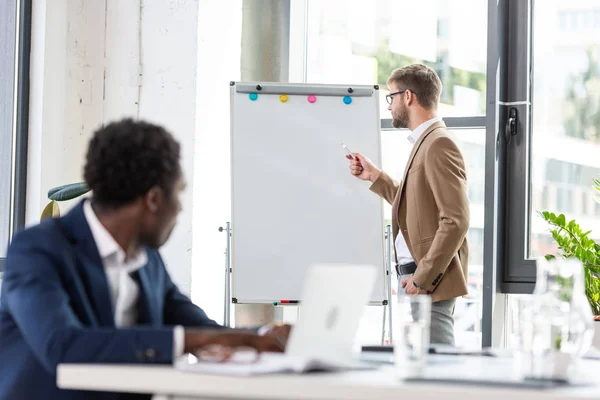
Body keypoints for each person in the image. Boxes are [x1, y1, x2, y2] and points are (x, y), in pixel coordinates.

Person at [0, 119, 289, 400]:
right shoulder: (38, 250)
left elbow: (199, 328)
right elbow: (62, 345)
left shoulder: (146, 260)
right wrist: (195, 340)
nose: (178, 210)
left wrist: (265, 335)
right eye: (179, 194)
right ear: (153, 199)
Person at [347, 64, 469, 345]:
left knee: (436, 371)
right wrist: (375, 176)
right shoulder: (426, 142)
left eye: (392, 97)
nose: (389, 106)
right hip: (418, 280)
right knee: (423, 371)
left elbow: (456, 219)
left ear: (409, 96)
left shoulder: (438, 143)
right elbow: (416, 206)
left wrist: (422, 279)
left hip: (428, 282)